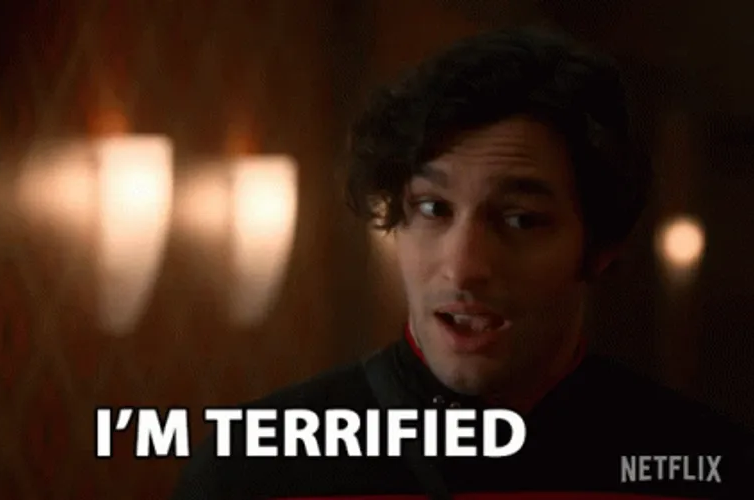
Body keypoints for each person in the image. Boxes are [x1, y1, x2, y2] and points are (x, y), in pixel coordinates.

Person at [171, 27, 754, 499]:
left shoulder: (702, 465)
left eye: (521, 219)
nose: (464, 266)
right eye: (433, 208)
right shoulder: (256, 468)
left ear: (600, 247)